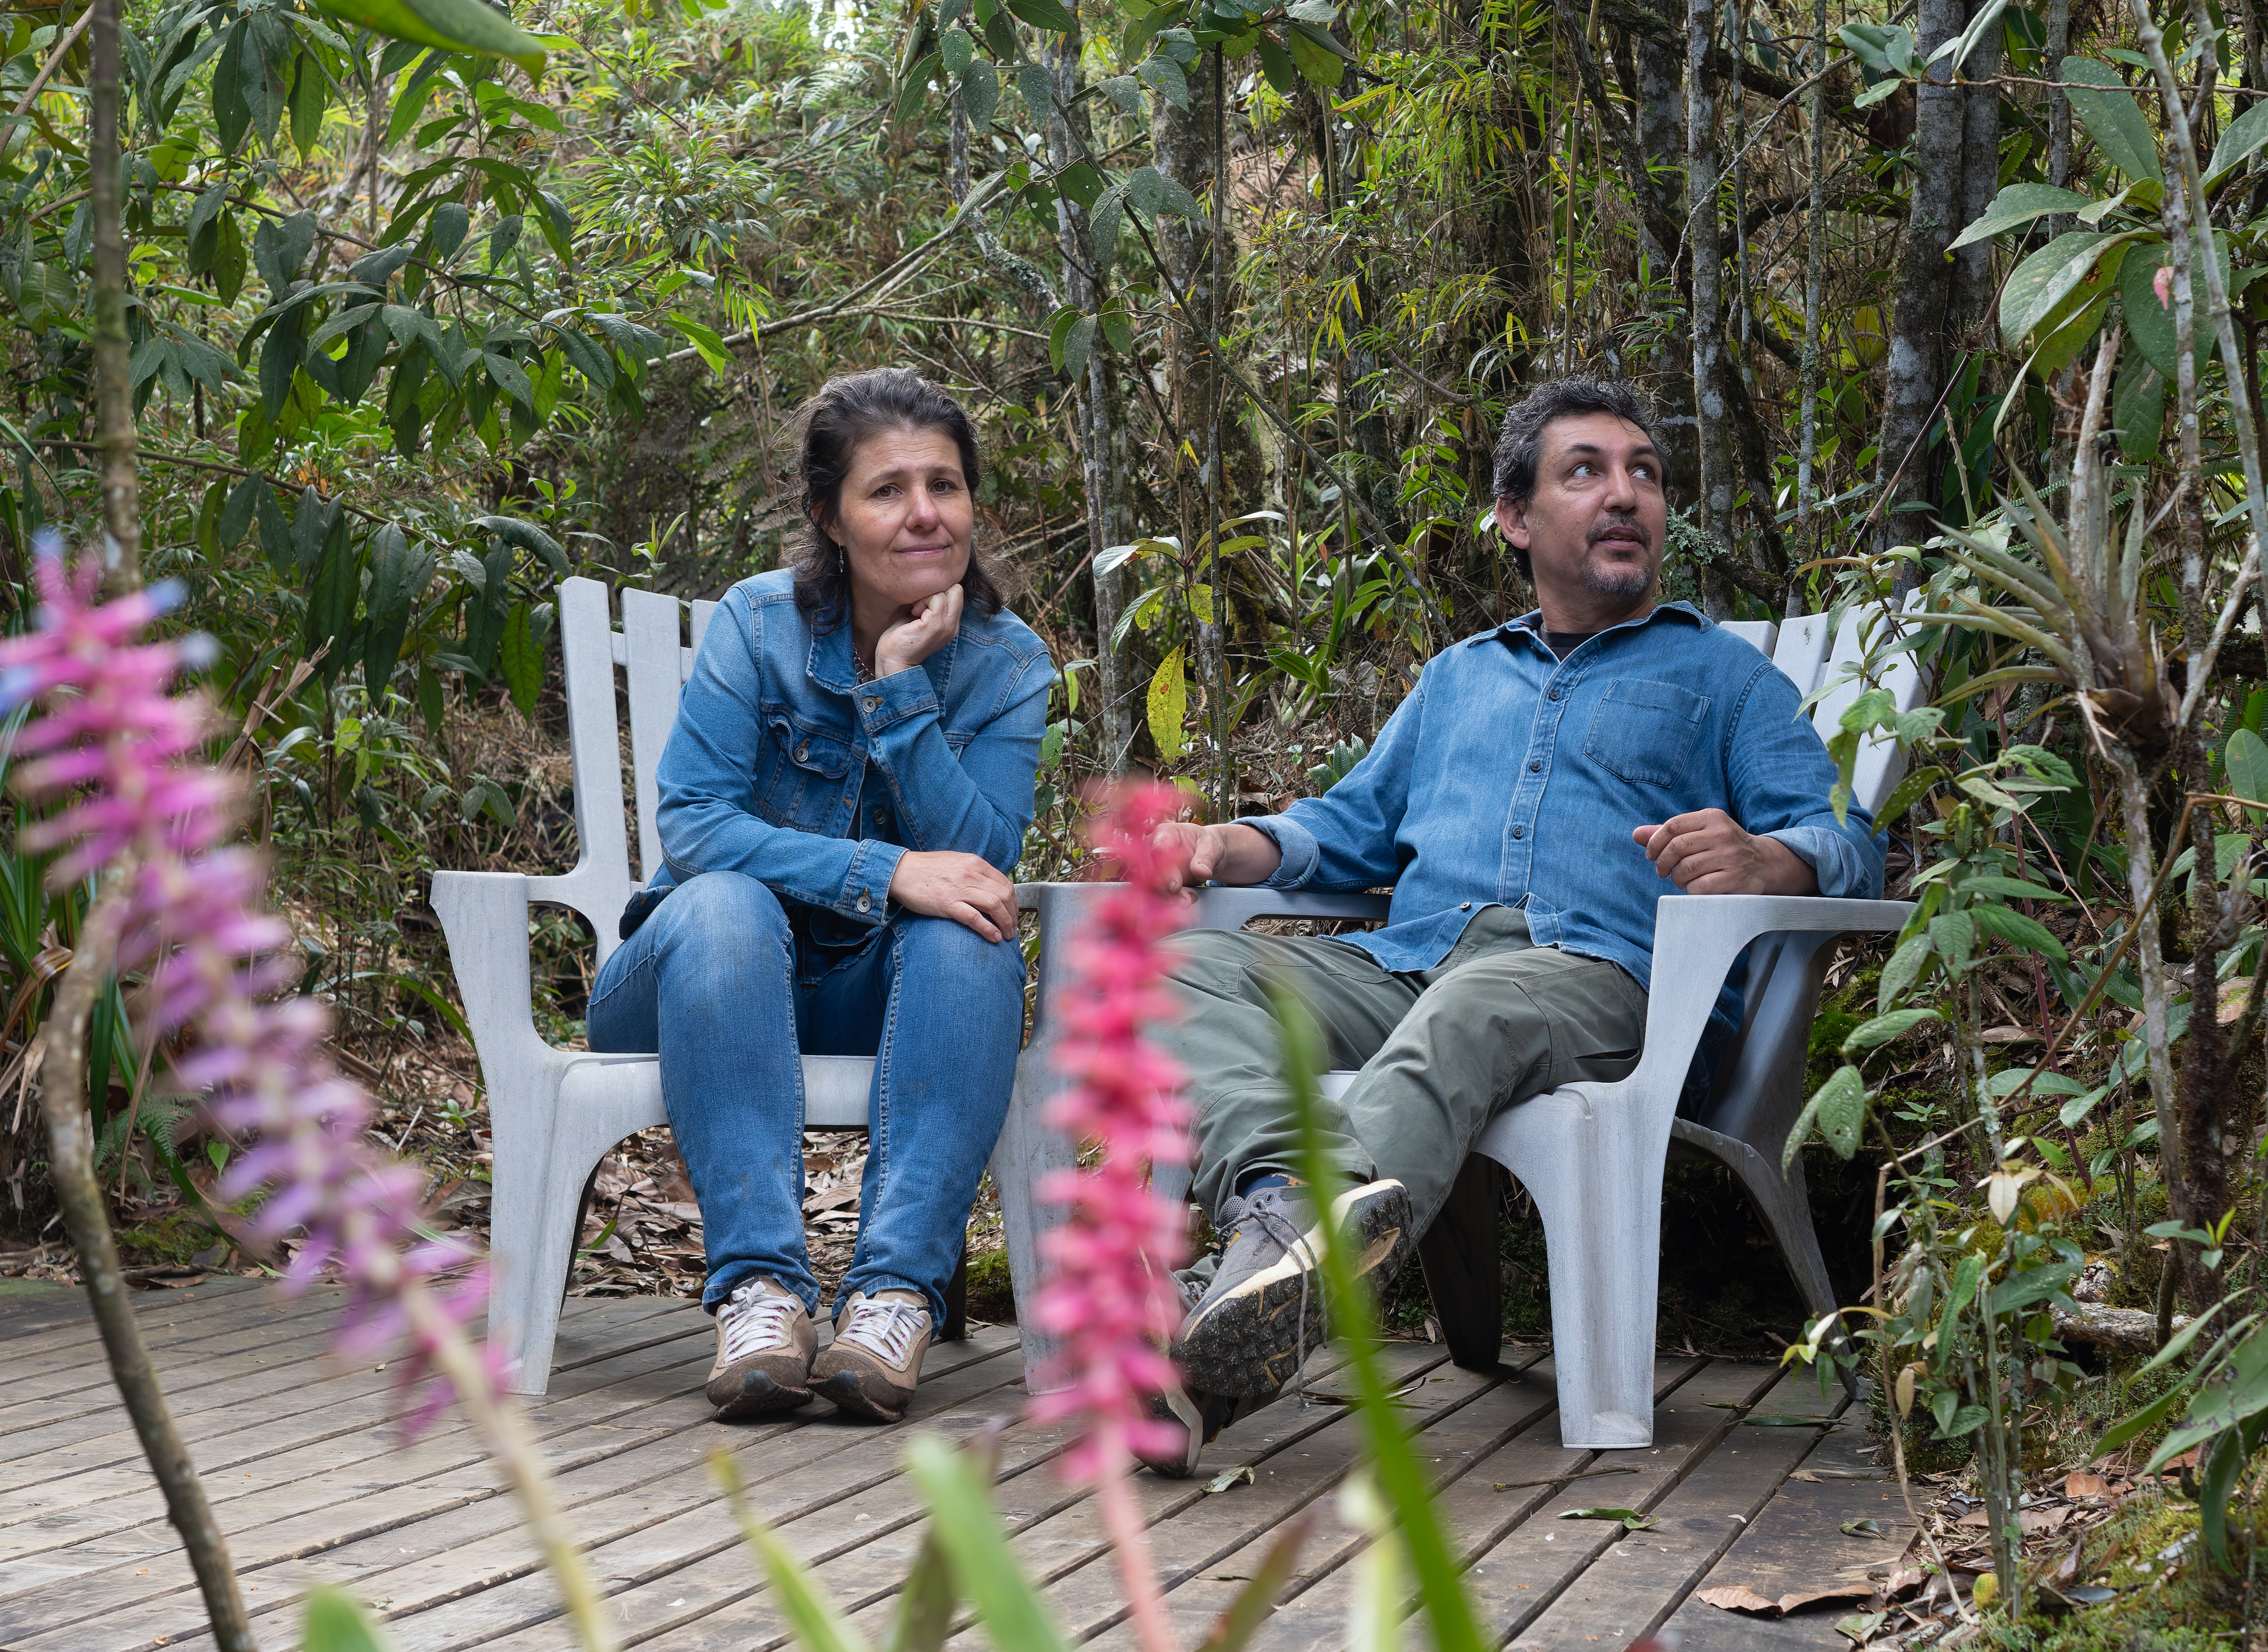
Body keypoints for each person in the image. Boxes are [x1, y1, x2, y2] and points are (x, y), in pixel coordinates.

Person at [1147, 374, 1886, 1455]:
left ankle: (1249, 1292)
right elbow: (1345, 827)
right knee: (1178, 971)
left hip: (1604, 979)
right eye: (1586, 471)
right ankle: (1274, 1224)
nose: (1625, 494)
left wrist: (1768, 857)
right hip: (1412, 963)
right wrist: (1223, 841)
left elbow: (1850, 837)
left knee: (1474, 1011)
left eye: (1645, 475)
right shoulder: (1458, 679)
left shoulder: (1722, 676)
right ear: (1514, 517)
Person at [586, 367, 1050, 1424]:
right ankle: (760, 1291)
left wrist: (897, 690)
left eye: (945, 485)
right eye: (888, 490)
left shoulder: (1009, 666)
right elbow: (695, 824)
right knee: (725, 904)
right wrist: (886, 871)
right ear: (828, 518)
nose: (925, 513)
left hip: (869, 993)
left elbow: (982, 862)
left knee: (971, 937)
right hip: (692, 985)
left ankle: (892, 1298)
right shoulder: (759, 625)